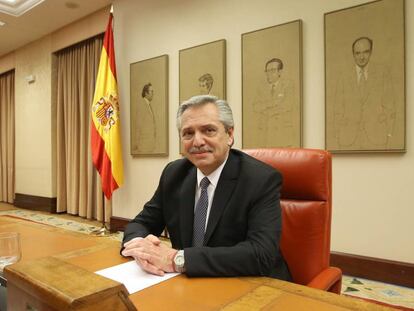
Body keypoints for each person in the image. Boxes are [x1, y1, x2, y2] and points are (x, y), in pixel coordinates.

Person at [122, 95, 291, 280]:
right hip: (188, 284)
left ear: (230, 135)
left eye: (208, 130)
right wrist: (139, 246)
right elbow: (141, 223)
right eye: (188, 133)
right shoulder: (174, 174)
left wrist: (177, 259)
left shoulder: (260, 179)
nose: (197, 142)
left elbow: (261, 254)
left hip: (250, 284)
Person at [333, 36, 395, 149]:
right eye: (357, 53)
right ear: (353, 54)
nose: (361, 57)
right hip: (348, 139)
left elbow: (390, 106)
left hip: (377, 137)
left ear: (371, 52)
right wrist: (337, 134)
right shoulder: (343, 75)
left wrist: (389, 134)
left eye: (365, 52)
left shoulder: (383, 73)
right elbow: (337, 108)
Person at [252, 58, 295, 147]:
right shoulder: (261, 88)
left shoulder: (288, 85)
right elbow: (255, 106)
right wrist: (274, 103)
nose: (269, 74)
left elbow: (287, 105)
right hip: (265, 133)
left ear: (280, 72)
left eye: (273, 70)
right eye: (267, 71)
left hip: (281, 132)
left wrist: (265, 108)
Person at [134, 83, 156, 152]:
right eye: (151, 91)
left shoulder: (148, 105)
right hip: (143, 144)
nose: (153, 94)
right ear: (146, 93)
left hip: (149, 143)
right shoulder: (141, 105)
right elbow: (138, 126)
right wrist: (137, 144)